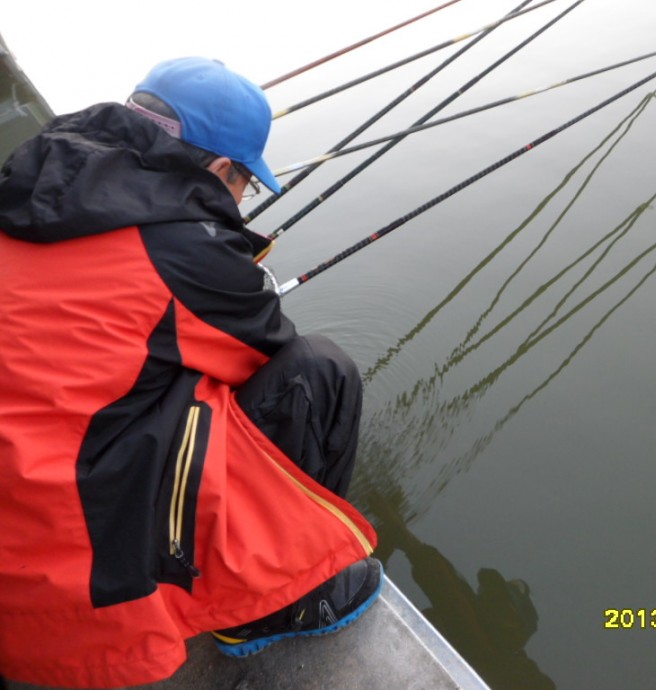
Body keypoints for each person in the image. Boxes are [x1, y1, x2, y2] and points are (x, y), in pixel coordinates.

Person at [0, 57, 381, 688]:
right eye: (245, 186)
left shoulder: (26, 184)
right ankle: (273, 603)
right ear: (223, 169)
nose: (241, 201)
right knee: (319, 374)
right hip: (67, 600)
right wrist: (228, 259)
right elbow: (266, 356)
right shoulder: (186, 251)